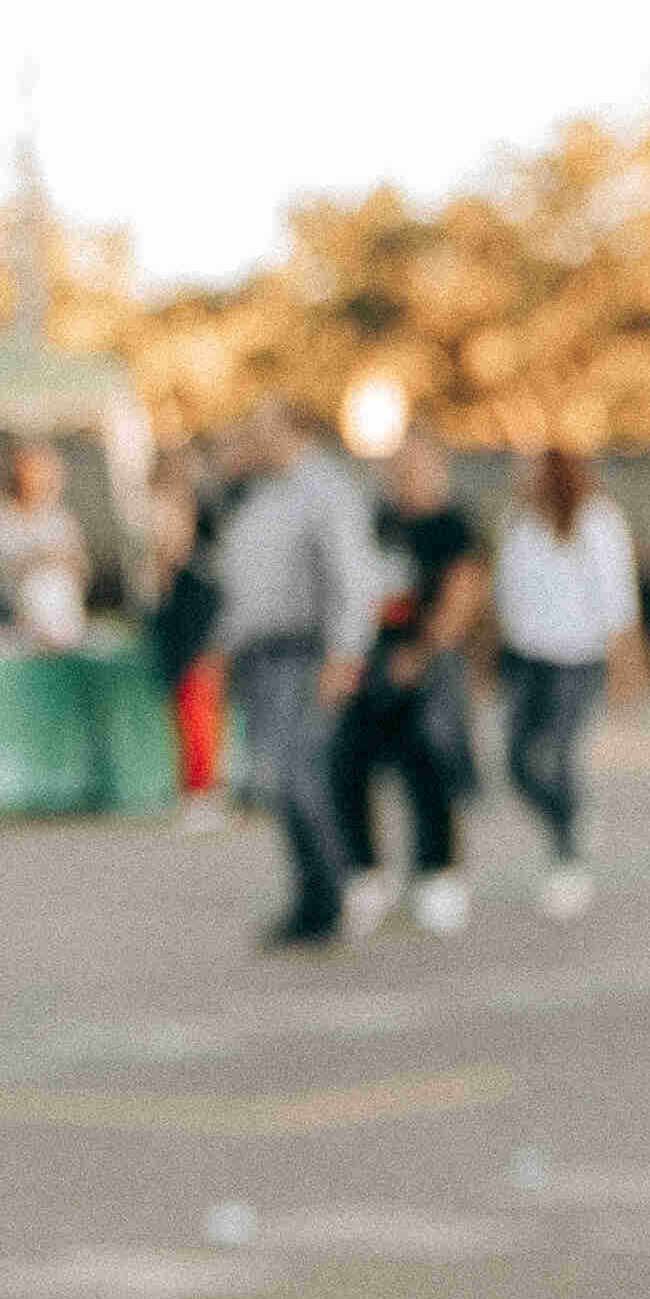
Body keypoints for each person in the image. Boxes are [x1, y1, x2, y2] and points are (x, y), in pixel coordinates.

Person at [205, 398, 382, 950]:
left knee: (299, 777)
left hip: (302, 653)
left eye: (258, 428)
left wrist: (345, 653)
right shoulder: (263, 493)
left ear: (290, 430)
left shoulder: (325, 489)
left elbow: (353, 577)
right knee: (282, 781)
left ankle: (333, 895)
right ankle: (314, 898)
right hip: (262, 654)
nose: (248, 440)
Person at [330, 432, 487, 938]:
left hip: (428, 665)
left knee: (431, 765)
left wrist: (424, 651)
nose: (404, 476)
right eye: (398, 467)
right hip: (371, 661)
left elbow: (464, 594)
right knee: (348, 762)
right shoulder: (377, 521)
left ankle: (439, 874)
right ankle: (365, 871)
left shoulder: (453, 526)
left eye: (415, 467)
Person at [491, 443, 639, 920]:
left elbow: (617, 600)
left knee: (556, 756)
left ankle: (566, 856)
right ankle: (570, 817)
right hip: (524, 659)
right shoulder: (515, 524)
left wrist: (625, 666)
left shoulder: (596, 523)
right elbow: (506, 594)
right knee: (516, 762)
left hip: (575, 661)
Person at [142, 439, 232, 831]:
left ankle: (203, 791)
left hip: (193, 615)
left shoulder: (187, 509)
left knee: (197, 706)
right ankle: (196, 789)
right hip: (186, 616)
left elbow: (170, 557)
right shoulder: (181, 508)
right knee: (190, 707)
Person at [0, 439, 91, 650]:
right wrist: (39, 559)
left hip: (62, 614)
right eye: (31, 470)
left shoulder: (60, 519)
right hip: (8, 616)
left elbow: (80, 568)